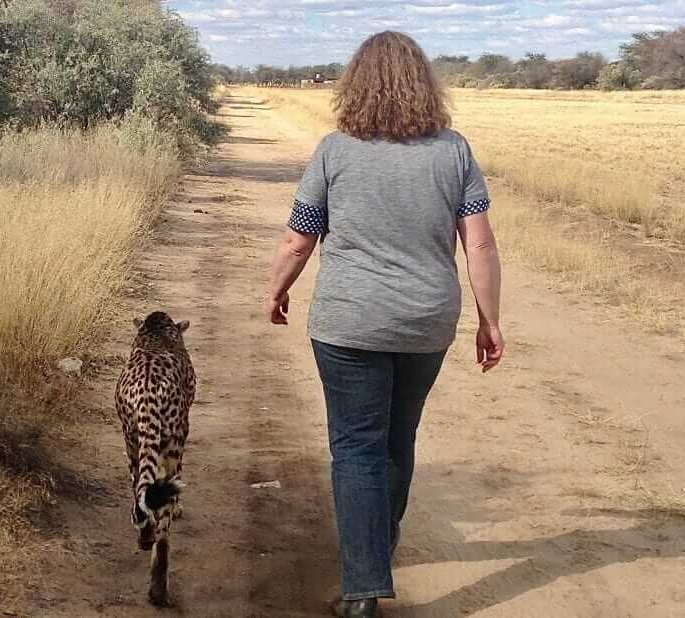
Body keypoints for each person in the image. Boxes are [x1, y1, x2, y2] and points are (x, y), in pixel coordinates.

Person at [264, 31, 504, 617]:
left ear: (355, 85)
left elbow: (299, 239)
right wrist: (489, 320)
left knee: (355, 448)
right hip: (426, 322)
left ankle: (364, 590)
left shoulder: (334, 151)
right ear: (424, 84)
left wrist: (275, 291)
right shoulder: (453, 151)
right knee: (397, 438)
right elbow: (479, 245)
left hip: (348, 323)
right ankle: (378, 548)